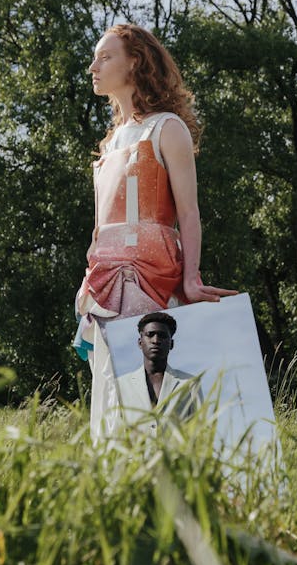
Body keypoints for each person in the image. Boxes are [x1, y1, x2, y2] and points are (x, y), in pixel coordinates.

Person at [73, 24, 236, 441]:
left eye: (105, 57)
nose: (93, 66)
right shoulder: (108, 144)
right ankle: (117, 488)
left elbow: (189, 212)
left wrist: (192, 277)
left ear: (135, 62)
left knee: (150, 390)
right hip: (105, 286)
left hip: (151, 279)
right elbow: (99, 227)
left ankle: (164, 487)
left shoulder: (167, 128)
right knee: (110, 389)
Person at [114, 312, 202, 436]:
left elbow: (201, 433)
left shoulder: (189, 383)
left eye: (162, 336)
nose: (156, 340)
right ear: (140, 342)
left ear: (171, 344)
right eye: (150, 335)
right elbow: (115, 433)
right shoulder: (121, 385)